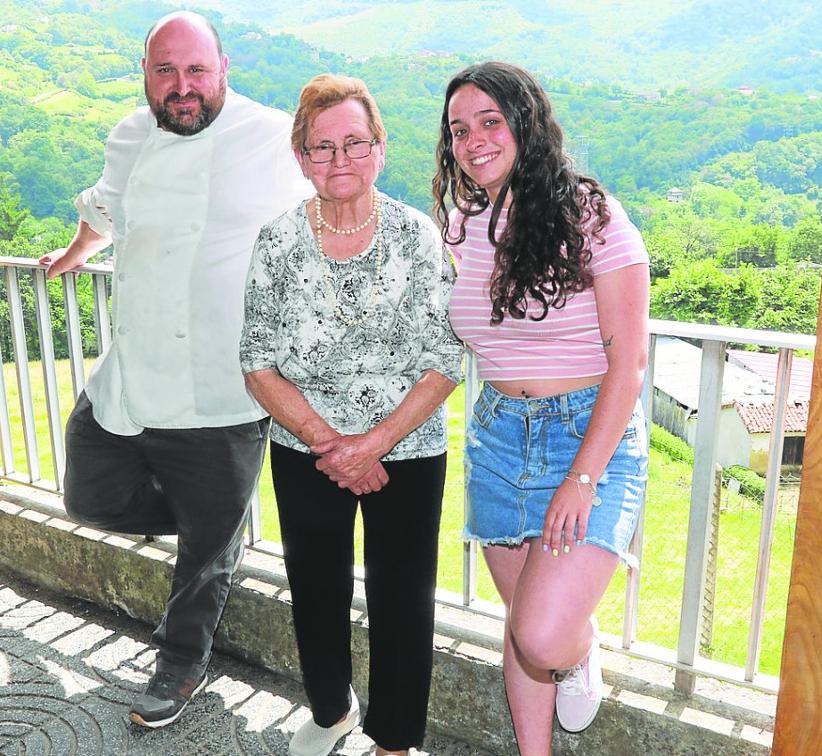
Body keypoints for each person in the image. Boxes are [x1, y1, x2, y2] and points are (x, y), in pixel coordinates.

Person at [37, 11, 312, 729]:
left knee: (203, 561)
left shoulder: (273, 137)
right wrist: (76, 252)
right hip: (134, 374)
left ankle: (179, 663)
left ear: (224, 70)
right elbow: (106, 207)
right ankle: (214, 527)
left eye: (195, 71)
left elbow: (341, 202)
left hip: (225, 388)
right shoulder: (130, 135)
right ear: (147, 78)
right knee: (87, 496)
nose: (182, 87)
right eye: (166, 72)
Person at [240, 74, 463, 756]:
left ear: (380, 148)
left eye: (355, 144)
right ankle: (332, 710)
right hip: (306, 442)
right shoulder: (277, 241)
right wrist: (332, 443)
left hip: (409, 444)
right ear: (302, 156)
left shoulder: (418, 236)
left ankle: (395, 741)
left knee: (403, 598)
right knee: (314, 586)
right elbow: (256, 360)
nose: (340, 161)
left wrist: (374, 444)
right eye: (323, 147)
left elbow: (444, 358)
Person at [434, 62, 650, 753]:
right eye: (460, 129)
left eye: (490, 121)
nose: (474, 140)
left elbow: (629, 364)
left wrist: (582, 477)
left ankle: (579, 647)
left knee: (544, 632)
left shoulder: (594, 216)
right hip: (498, 437)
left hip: (587, 434)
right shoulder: (463, 221)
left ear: (525, 121)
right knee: (522, 623)